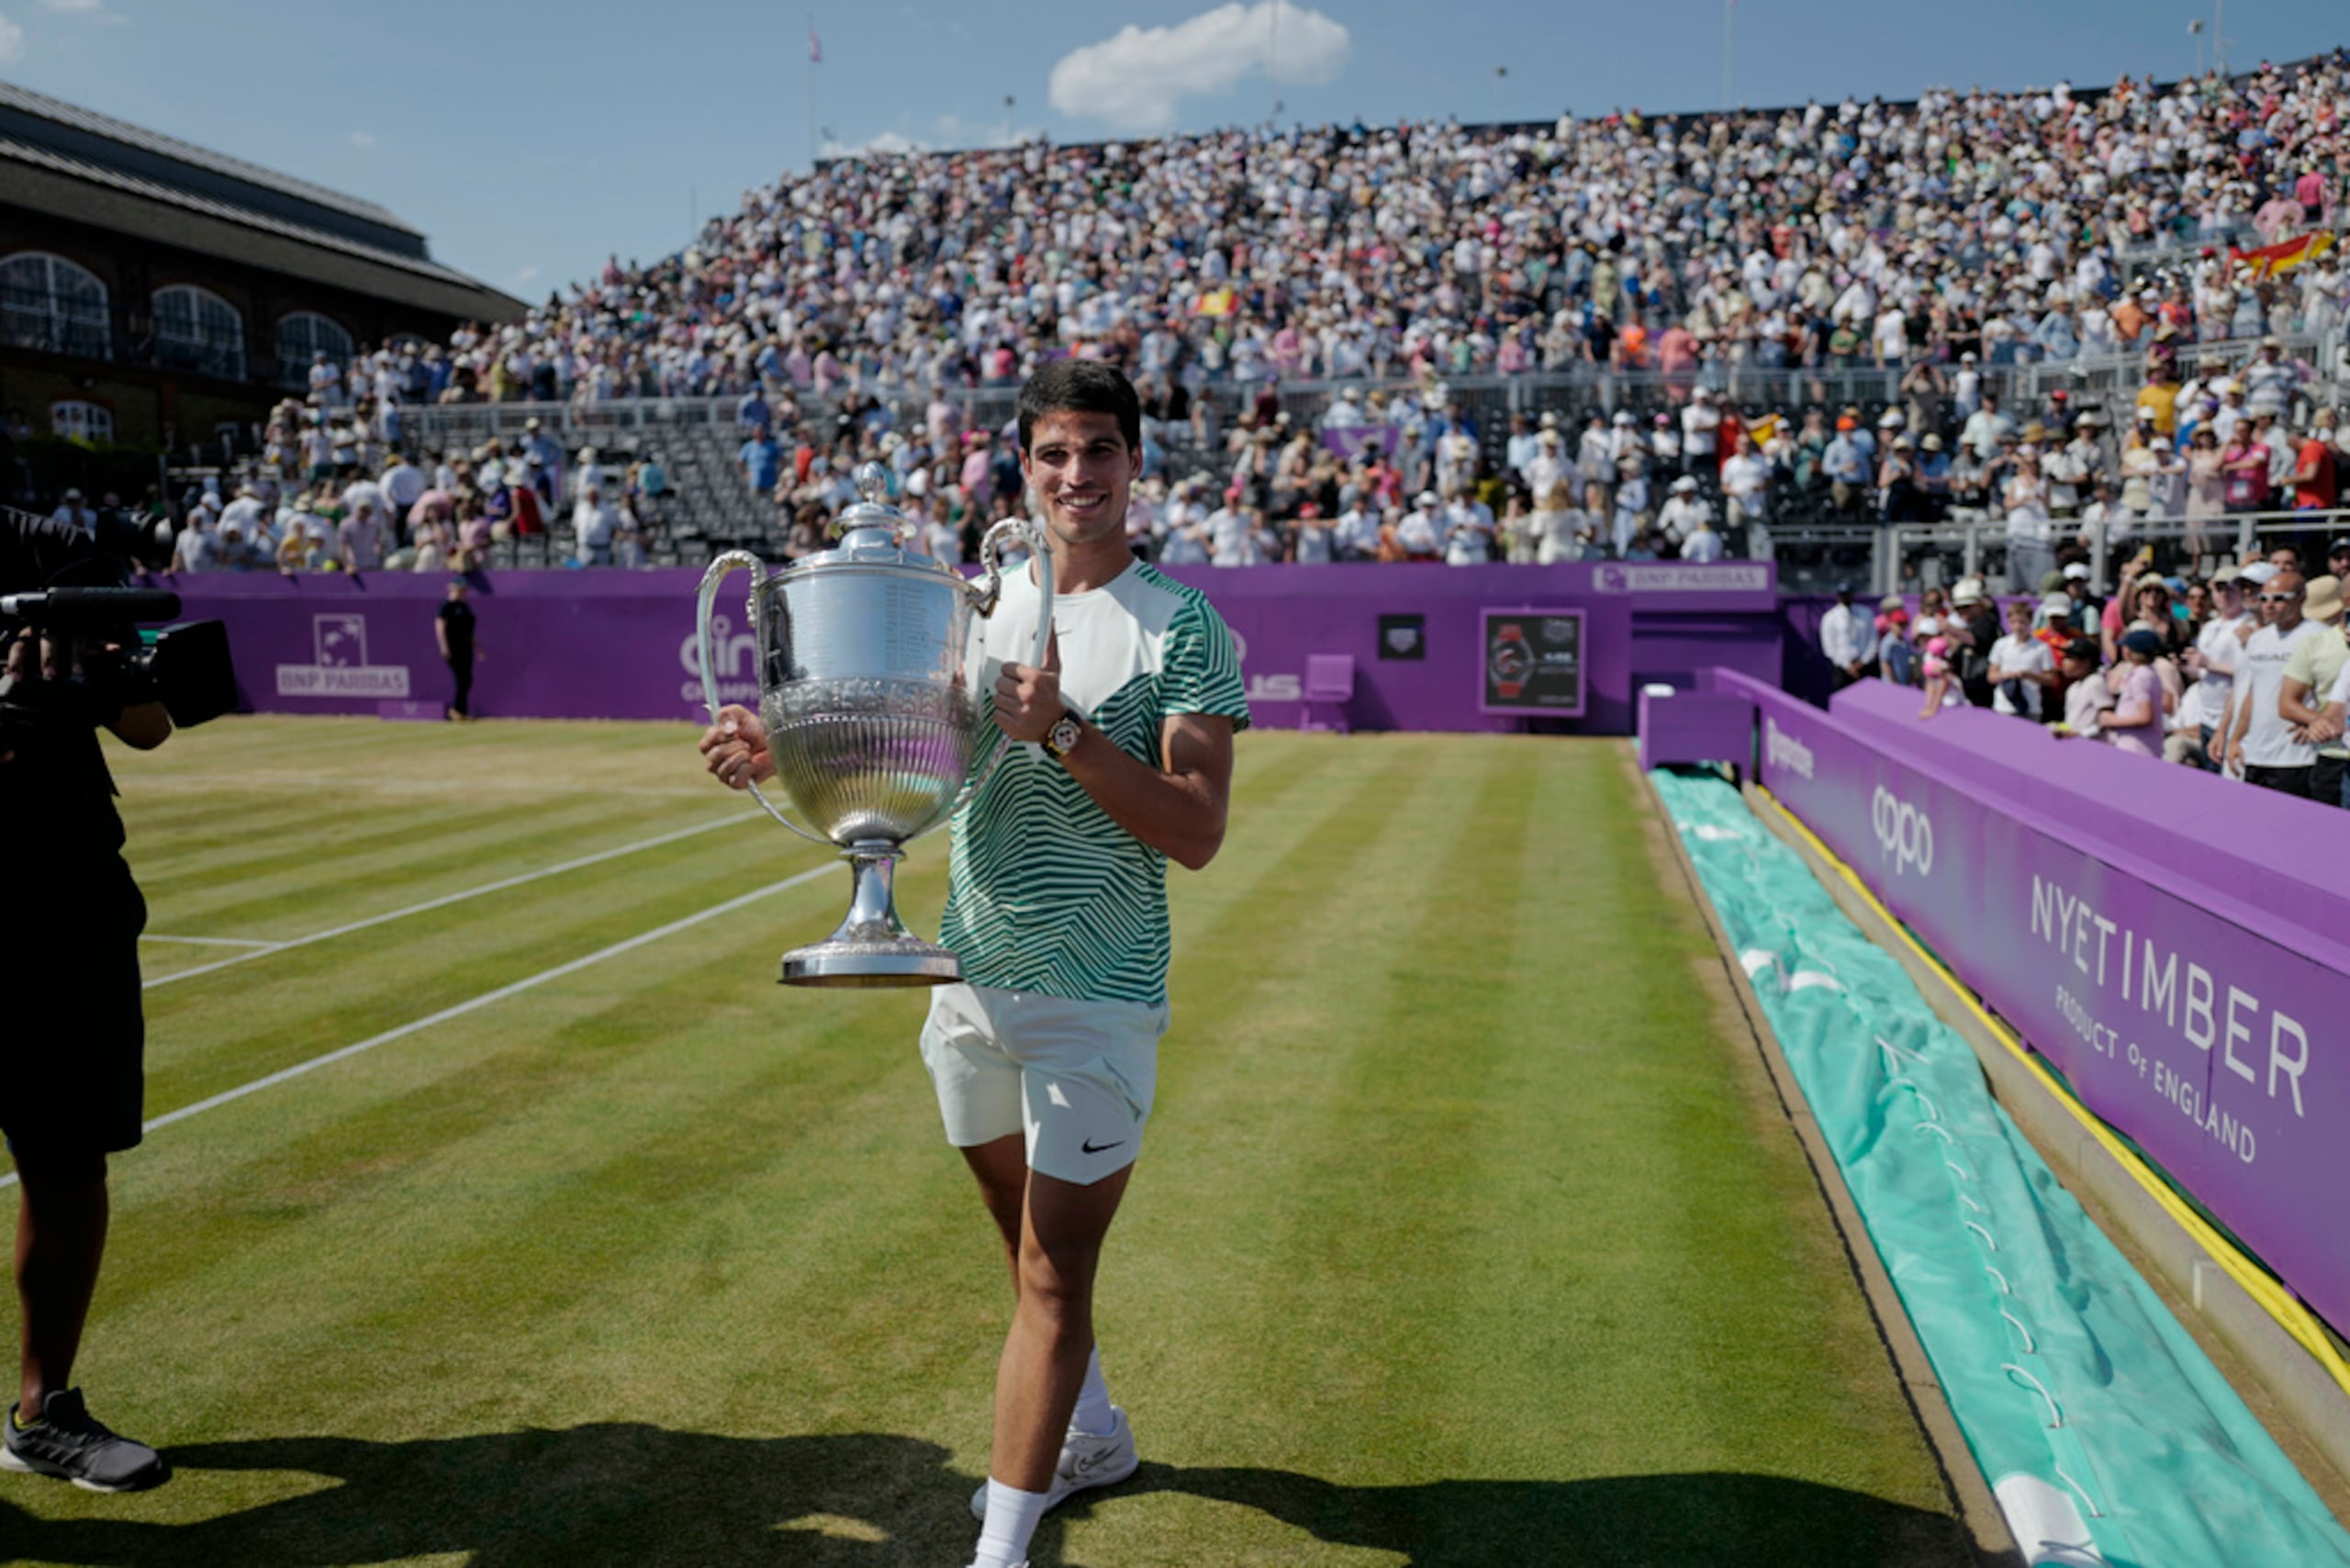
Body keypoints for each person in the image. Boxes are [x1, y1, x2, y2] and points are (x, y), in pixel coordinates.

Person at [698, 363, 1248, 1568]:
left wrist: (1065, 729)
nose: (1075, 475)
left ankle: (1000, 1550)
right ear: (1025, 465)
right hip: (967, 980)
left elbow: (1198, 829)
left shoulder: (1185, 623)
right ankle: (1092, 1436)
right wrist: (785, 745)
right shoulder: (982, 603)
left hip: (1096, 995)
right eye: (1053, 453)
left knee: (1052, 1277)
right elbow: (922, 749)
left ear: (1133, 462)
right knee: (1018, 1233)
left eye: (1098, 450)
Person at [0, 512, 173, 1493]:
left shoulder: (46, 547)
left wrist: (98, 673)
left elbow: (149, 725)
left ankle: (43, 1411)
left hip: (69, 905)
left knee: (67, 1161)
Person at [2226, 570, 2322, 794]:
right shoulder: (2257, 640)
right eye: (2264, 598)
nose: (2269, 605)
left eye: (2279, 598)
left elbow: (2336, 690)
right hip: (2256, 754)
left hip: (2298, 756)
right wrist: (2236, 739)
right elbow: (2253, 694)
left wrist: (2318, 721)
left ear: (2301, 598)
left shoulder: (2319, 636)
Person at [434, 577, 481, 722]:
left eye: (464, 590)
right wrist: (444, 646)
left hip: (466, 648)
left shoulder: (465, 607)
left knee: (467, 679)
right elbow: (440, 626)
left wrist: (477, 647)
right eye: (461, 589)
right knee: (461, 678)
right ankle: (456, 710)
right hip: (453, 648)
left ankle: (461, 711)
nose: (463, 592)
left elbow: (469, 631)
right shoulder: (446, 607)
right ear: (453, 588)